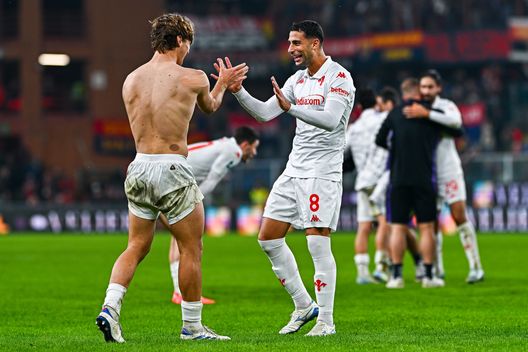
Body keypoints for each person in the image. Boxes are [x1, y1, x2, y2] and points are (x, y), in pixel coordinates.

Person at [95, 13, 248, 343]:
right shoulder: (192, 77)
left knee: (135, 245)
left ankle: (110, 308)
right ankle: (192, 328)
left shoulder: (131, 80)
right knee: (191, 247)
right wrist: (222, 83)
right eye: (188, 43)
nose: (189, 50)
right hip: (171, 168)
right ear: (180, 40)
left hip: (138, 167)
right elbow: (210, 107)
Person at [215, 20, 355, 336]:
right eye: (290, 43)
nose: (290, 49)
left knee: (318, 247)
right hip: (294, 171)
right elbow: (265, 113)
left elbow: (331, 121)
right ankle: (304, 306)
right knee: (268, 238)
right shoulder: (298, 79)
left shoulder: (339, 78)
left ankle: (326, 322)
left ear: (315, 43)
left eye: (296, 42)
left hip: (322, 173)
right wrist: (238, 92)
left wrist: (291, 108)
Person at [375, 78, 461, 289]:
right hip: (424, 176)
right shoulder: (428, 113)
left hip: (399, 177)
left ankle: (396, 277)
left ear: (403, 93)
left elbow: (379, 139)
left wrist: (397, 150)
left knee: (397, 227)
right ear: (418, 92)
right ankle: (429, 276)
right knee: (426, 228)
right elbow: (456, 129)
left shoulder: (394, 113)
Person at [404, 70, 484, 283]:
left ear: (438, 88)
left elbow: (456, 123)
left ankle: (476, 267)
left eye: (430, 87)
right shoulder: (415, 109)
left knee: (459, 216)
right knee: (430, 223)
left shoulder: (446, 106)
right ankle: (436, 269)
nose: (426, 91)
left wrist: (427, 115)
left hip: (449, 171)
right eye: (423, 87)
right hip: (428, 174)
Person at [167, 126, 260, 305]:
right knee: (191, 242)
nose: (254, 153)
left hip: (172, 173)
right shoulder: (234, 152)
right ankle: (185, 293)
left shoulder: (225, 145)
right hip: (176, 178)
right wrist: (194, 203)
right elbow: (212, 179)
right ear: (246, 145)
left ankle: (178, 292)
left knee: (178, 239)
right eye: (254, 147)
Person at [346, 89, 390, 284]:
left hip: (362, 179)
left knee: (363, 226)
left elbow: (341, 150)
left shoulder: (354, 128)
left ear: (359, 107)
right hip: (381, 179)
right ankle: (381, 267)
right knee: (384, 222)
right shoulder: (383, 120)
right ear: (376, 104)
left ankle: (362, 273)